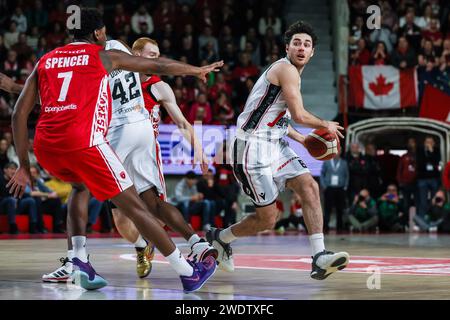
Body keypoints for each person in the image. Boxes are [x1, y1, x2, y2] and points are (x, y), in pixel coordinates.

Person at [6, 8, 220, 293]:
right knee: (137, 205)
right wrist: (195, 70)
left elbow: (21, 112)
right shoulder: (104, 55)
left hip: (46, 146)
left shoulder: (47, 59)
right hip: (93, 139)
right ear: (98, 33)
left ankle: (77, 259)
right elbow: (162, 68)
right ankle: (186, 269)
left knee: (81, 190)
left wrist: (23, 164)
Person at [206, 21, 350, 279]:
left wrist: (302, 140)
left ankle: (319, 257)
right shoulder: (286, 69)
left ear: (313, 52)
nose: (301, 48)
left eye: (307, 44)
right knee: (267, 219)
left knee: (309, 186)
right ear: (287, 47)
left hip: (274, 144)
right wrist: (324, 123)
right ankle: (220, 237)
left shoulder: (293, 74)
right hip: (250, 149)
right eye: (296, 43)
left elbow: (279, 117)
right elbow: (299, 115)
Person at [320, 148, 349, 233]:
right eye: (335, 152)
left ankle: (339, 227)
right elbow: (322, 173)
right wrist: (324, 185)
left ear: (340, 152)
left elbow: (347, 175)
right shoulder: (327, 162)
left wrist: (345, 186)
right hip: (329, 188)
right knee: (327, 208)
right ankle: (326, 227)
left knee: (340, 208)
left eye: (338, 151)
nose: (337, 153)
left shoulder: (344, 163)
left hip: (340, 188)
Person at [416, 136, 441, 217]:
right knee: (423, 201)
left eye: (431, 142)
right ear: (424, 143)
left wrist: (431, 152)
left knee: (434, 200)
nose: (429, 144)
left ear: (433, 143)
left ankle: (433, 218)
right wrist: (428, 156)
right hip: (423, 178)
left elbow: (437, 162)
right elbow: (420, 163)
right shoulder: (420, 150)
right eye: (427, 142)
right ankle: (421, 220)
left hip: (434, 178)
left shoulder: (436, 150)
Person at [396, 138, 417, 217]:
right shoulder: (404, 156)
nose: (411, 144)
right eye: (409, 142)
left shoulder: (419, 155)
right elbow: (399, 170)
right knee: (406, 203)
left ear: (415, 143)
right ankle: (405, 223)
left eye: (412, 142)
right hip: (405, 183)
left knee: (417, 203)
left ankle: (417, 223)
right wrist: (400, 181)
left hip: (416, 183)